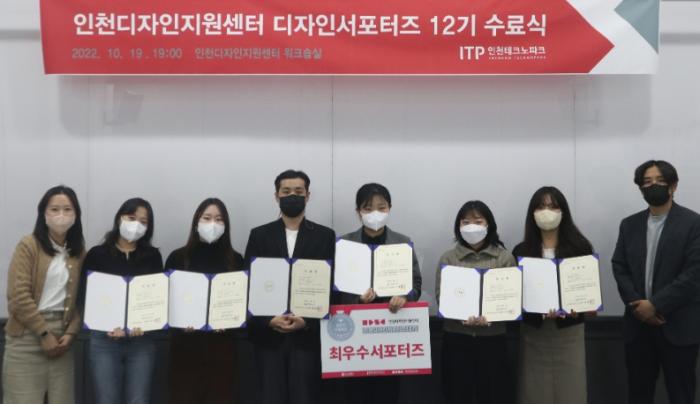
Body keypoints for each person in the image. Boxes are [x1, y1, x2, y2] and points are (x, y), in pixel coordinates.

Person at [243, 169, 335, 404]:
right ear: (276, 196)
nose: (292, 196)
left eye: (298, 191)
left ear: (307, 195)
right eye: (286, 192)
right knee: (270, 396)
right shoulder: (259, 235)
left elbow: (331, 287)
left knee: (306, 396)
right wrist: (268, 320)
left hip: (307, 336)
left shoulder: (325, 236)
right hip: (268, 336)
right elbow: (249, 284)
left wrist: (307, 321)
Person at [612, 160, 700, 404]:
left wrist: (655, 305)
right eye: (647, 182)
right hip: (638, 327)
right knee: (639, 395)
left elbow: (694, 273)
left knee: (681, 396)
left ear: (673, 186)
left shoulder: (693, 223)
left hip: (678, 326)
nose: (653, 186)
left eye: (660, 181)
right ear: (640, 188)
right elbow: (619, 266)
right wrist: (638, 306)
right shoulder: (629, 225)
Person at [337, 183, 422, 404]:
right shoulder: (345, 243)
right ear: (358, 211)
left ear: (389, 208)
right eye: (368, 208)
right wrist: (357, 300)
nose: (375, 213)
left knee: (387, 392)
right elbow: (335, 288)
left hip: (390, 330)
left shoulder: (402, 242)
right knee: (356, 393)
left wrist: (405, 297)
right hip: (354, 334)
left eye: (381, 208)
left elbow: (416, 283)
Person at [2, 185, 86, 404]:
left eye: (67, 209)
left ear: (76, 215)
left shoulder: (78, 252)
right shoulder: (29, 245)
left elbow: (80, 299)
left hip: (62, 341)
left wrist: (72, 332)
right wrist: (43, 333)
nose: (61, 215)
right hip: (26, 337)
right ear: (43, 213)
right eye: (54, 209)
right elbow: (18, 295)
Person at [77, 197, 163, 404]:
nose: (136, 225)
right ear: (119, 218)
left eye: (143, 222)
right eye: (131, 218)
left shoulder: (152, 256)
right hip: (104, 341)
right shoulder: (97, 254)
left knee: (139, 400)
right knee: (106, 399)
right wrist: (103, 324)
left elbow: (157, 299)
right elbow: (84, 295)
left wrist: (146, 324)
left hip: (141, 341)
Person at [512, 186, 594, 404]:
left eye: (552, 206)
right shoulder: (521, 251)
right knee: (534, 393)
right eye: (541, 207)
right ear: (532, 213)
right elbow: (514, 296)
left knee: (571, 392)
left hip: (569, 333)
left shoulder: (580, 247)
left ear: (563, 212)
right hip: (534, 334)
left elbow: (589, 295)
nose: (546, 212)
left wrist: (580, 307)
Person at [165, 198, 244, 404]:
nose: (212, 224)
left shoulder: (236, 260)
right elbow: (166, 301)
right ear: (196, 222)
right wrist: (179, 322)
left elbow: (242, 303)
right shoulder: (177, 258)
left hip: (223, 347)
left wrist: (230, 322)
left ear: (226, 226)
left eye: (219, 219)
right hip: (185, 347)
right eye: (207, 218)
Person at [436, 200, 516, 404]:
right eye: (466, 222)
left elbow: (511, 300)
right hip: (456, 339)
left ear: (489, 225)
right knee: (456, 395)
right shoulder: (448, 259)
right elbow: (441, 297)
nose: (472, 227)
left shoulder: (504, 258)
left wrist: (493, 317)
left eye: (478, 221)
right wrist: (459, 316)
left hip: (493, 341)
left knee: (493, 395)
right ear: (458, 227)